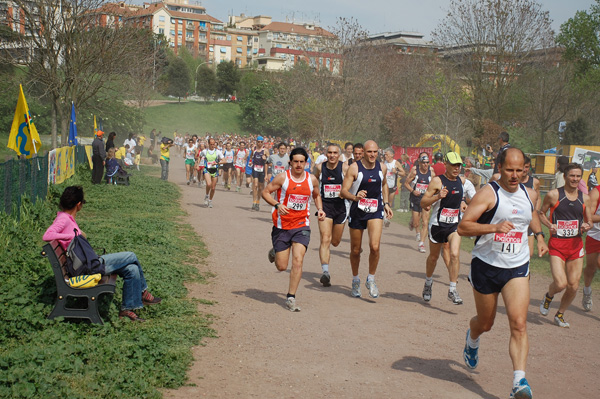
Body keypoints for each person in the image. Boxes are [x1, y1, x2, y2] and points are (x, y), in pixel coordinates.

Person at [457, 148, 547, 399]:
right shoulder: (489, 193)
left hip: (516, 266)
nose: (515, 175)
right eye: (509, 170)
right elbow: (463, 227)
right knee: (486, 323)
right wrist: (494, 227)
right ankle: (472, 338)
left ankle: (519, 382)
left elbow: (531, 215)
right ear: (500, 167)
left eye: (520, 170)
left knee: (519, 323)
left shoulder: (530, 194)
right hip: (486, 266)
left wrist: (539, 236)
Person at [43, 186, 161, 322]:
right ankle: (143, 292)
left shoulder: (67, 218)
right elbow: (47, 235)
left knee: (132, 269)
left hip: (88, 262)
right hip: (88, 268)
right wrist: (73, 235)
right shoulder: (63, 219)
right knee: (131, 256)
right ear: (79, 204)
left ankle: (127, 309)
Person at [262, 148, 325, 311]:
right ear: (290, 162)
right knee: (282, 266)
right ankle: (276, 251)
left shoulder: (312, 179)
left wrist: (320, 209)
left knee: (298, 260)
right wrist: (277, 204)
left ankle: (291, 297)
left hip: (301, 225)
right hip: (282, 226)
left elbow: (317, 195)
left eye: (301, 162)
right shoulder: (283, 177)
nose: (298, 165)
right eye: (295, 161)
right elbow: (265, 192)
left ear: (306, 163)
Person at [538, 163, 592, 327]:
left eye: (578, 176)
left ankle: (559, 314)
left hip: (575, 246)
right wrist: (549, 225)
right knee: (561, 284)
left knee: (574, 286)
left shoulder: (585, 198)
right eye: (572, 176)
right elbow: (541, 213)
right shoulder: (554, 195)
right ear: (565, 176)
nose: (575, 179)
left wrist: (587, 226)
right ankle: (548, 296)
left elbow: (589, 221)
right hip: (557, 246)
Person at [340, 140, 393, 298]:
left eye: (375, 152)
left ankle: (371, 279)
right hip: (357, 210)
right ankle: (356, 279)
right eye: (369, 152)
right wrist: (355, 197)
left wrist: (386, 203)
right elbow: (343, 191)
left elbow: (384, 184)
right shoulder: (354, 168)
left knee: (375, 247)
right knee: (356, 250)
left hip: (375, 210)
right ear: (363, 151)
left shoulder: (381, 167)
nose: (372, 155)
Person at [420, 152, 467, 305]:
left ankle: (452, 289)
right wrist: (438, 196)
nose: (456, 168)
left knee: (454, 254)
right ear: (446, 164)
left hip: (454, 225)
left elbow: (465, 197)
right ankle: (428, 282)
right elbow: (423, 202)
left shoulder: (462, 181)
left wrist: (463, 203)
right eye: (453, 164)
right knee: (433, 257)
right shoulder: (437, 181)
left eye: (458, 165)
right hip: (437, 226)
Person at [314, 143, 349, 287]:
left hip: (341, 209)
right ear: (326, 153)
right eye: (330, 153)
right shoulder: (320, 167)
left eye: (335, 153)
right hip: (325, 208)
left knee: (335, 241)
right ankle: (325, 272)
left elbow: (353, 184)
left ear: (339, 154)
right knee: (325, 239)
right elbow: (314, 182)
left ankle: (325, 270)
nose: (332, 155)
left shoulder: (345, 168)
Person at [404, 153, 435, 253]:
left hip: (426, 199)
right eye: (424, 163)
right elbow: (406, 184)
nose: (425, 165)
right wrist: (413, 191)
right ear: (420, 163)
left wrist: (431, 198)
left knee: (425, 222)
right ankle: (413, 223)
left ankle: (422, 243)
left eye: (427, 163)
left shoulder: (431, 172)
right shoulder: (414, 171)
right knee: (416, 222)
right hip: (415, 198)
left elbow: (435, 186)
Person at [582, 184, 600, 311]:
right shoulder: (596, 192)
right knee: (591, 268)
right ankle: (587, 290)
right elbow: (589, 216)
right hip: (595, 235)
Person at [382, 148, 405, 226]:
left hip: (392, 186)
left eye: (387, 154)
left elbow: (403, 173)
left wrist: (396, 172)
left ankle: (387, 217)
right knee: (384, 202)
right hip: (384, 185)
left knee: (390, 203)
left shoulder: (396, 163)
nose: (385, 156)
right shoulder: (383, 163)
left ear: (392, 155)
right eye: (385, 155)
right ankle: (384, 217)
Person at [200, 138, 225, 208]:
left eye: (213, 144)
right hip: (207, 169)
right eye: (211, 144)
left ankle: (210, 201)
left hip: (215, 170)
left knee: (213, 188)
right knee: (208, 183)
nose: (212, 146)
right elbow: (199, 156)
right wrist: (198, 163)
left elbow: (224, 160)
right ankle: (206, 195)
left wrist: (217, 163)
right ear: (208, 144)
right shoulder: (204, 151)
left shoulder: (218, 152)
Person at [251, 136, 270, 211]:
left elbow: (269, 161)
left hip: (262, 170)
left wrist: (266, 159)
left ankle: (258, 202)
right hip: (255, 168)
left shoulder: (265, 150)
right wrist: (250, 161)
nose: (259, 143)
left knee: (260, 187)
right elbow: (251, 157)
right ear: (256, 142)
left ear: (263, 142)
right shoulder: (254, 149)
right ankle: (254, 202)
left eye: (261, 142)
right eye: (258, 142)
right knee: (255, 185)